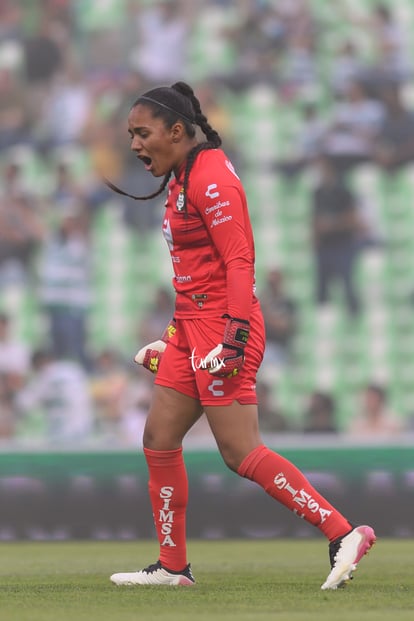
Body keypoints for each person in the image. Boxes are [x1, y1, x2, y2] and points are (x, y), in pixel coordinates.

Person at [105, 81, 375, 590]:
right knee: (158, 438)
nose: (135, 145)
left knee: (240, 451)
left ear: (177, 131)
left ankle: (343, 532)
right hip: (192, 328)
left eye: (143, 133)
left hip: (222, 328)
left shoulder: (210, 180)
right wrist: (171, 336)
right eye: (130, 135)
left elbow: (238, 260)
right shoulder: (184, 175)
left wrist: (231, 338)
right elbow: (192, 272)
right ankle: (172, 567)